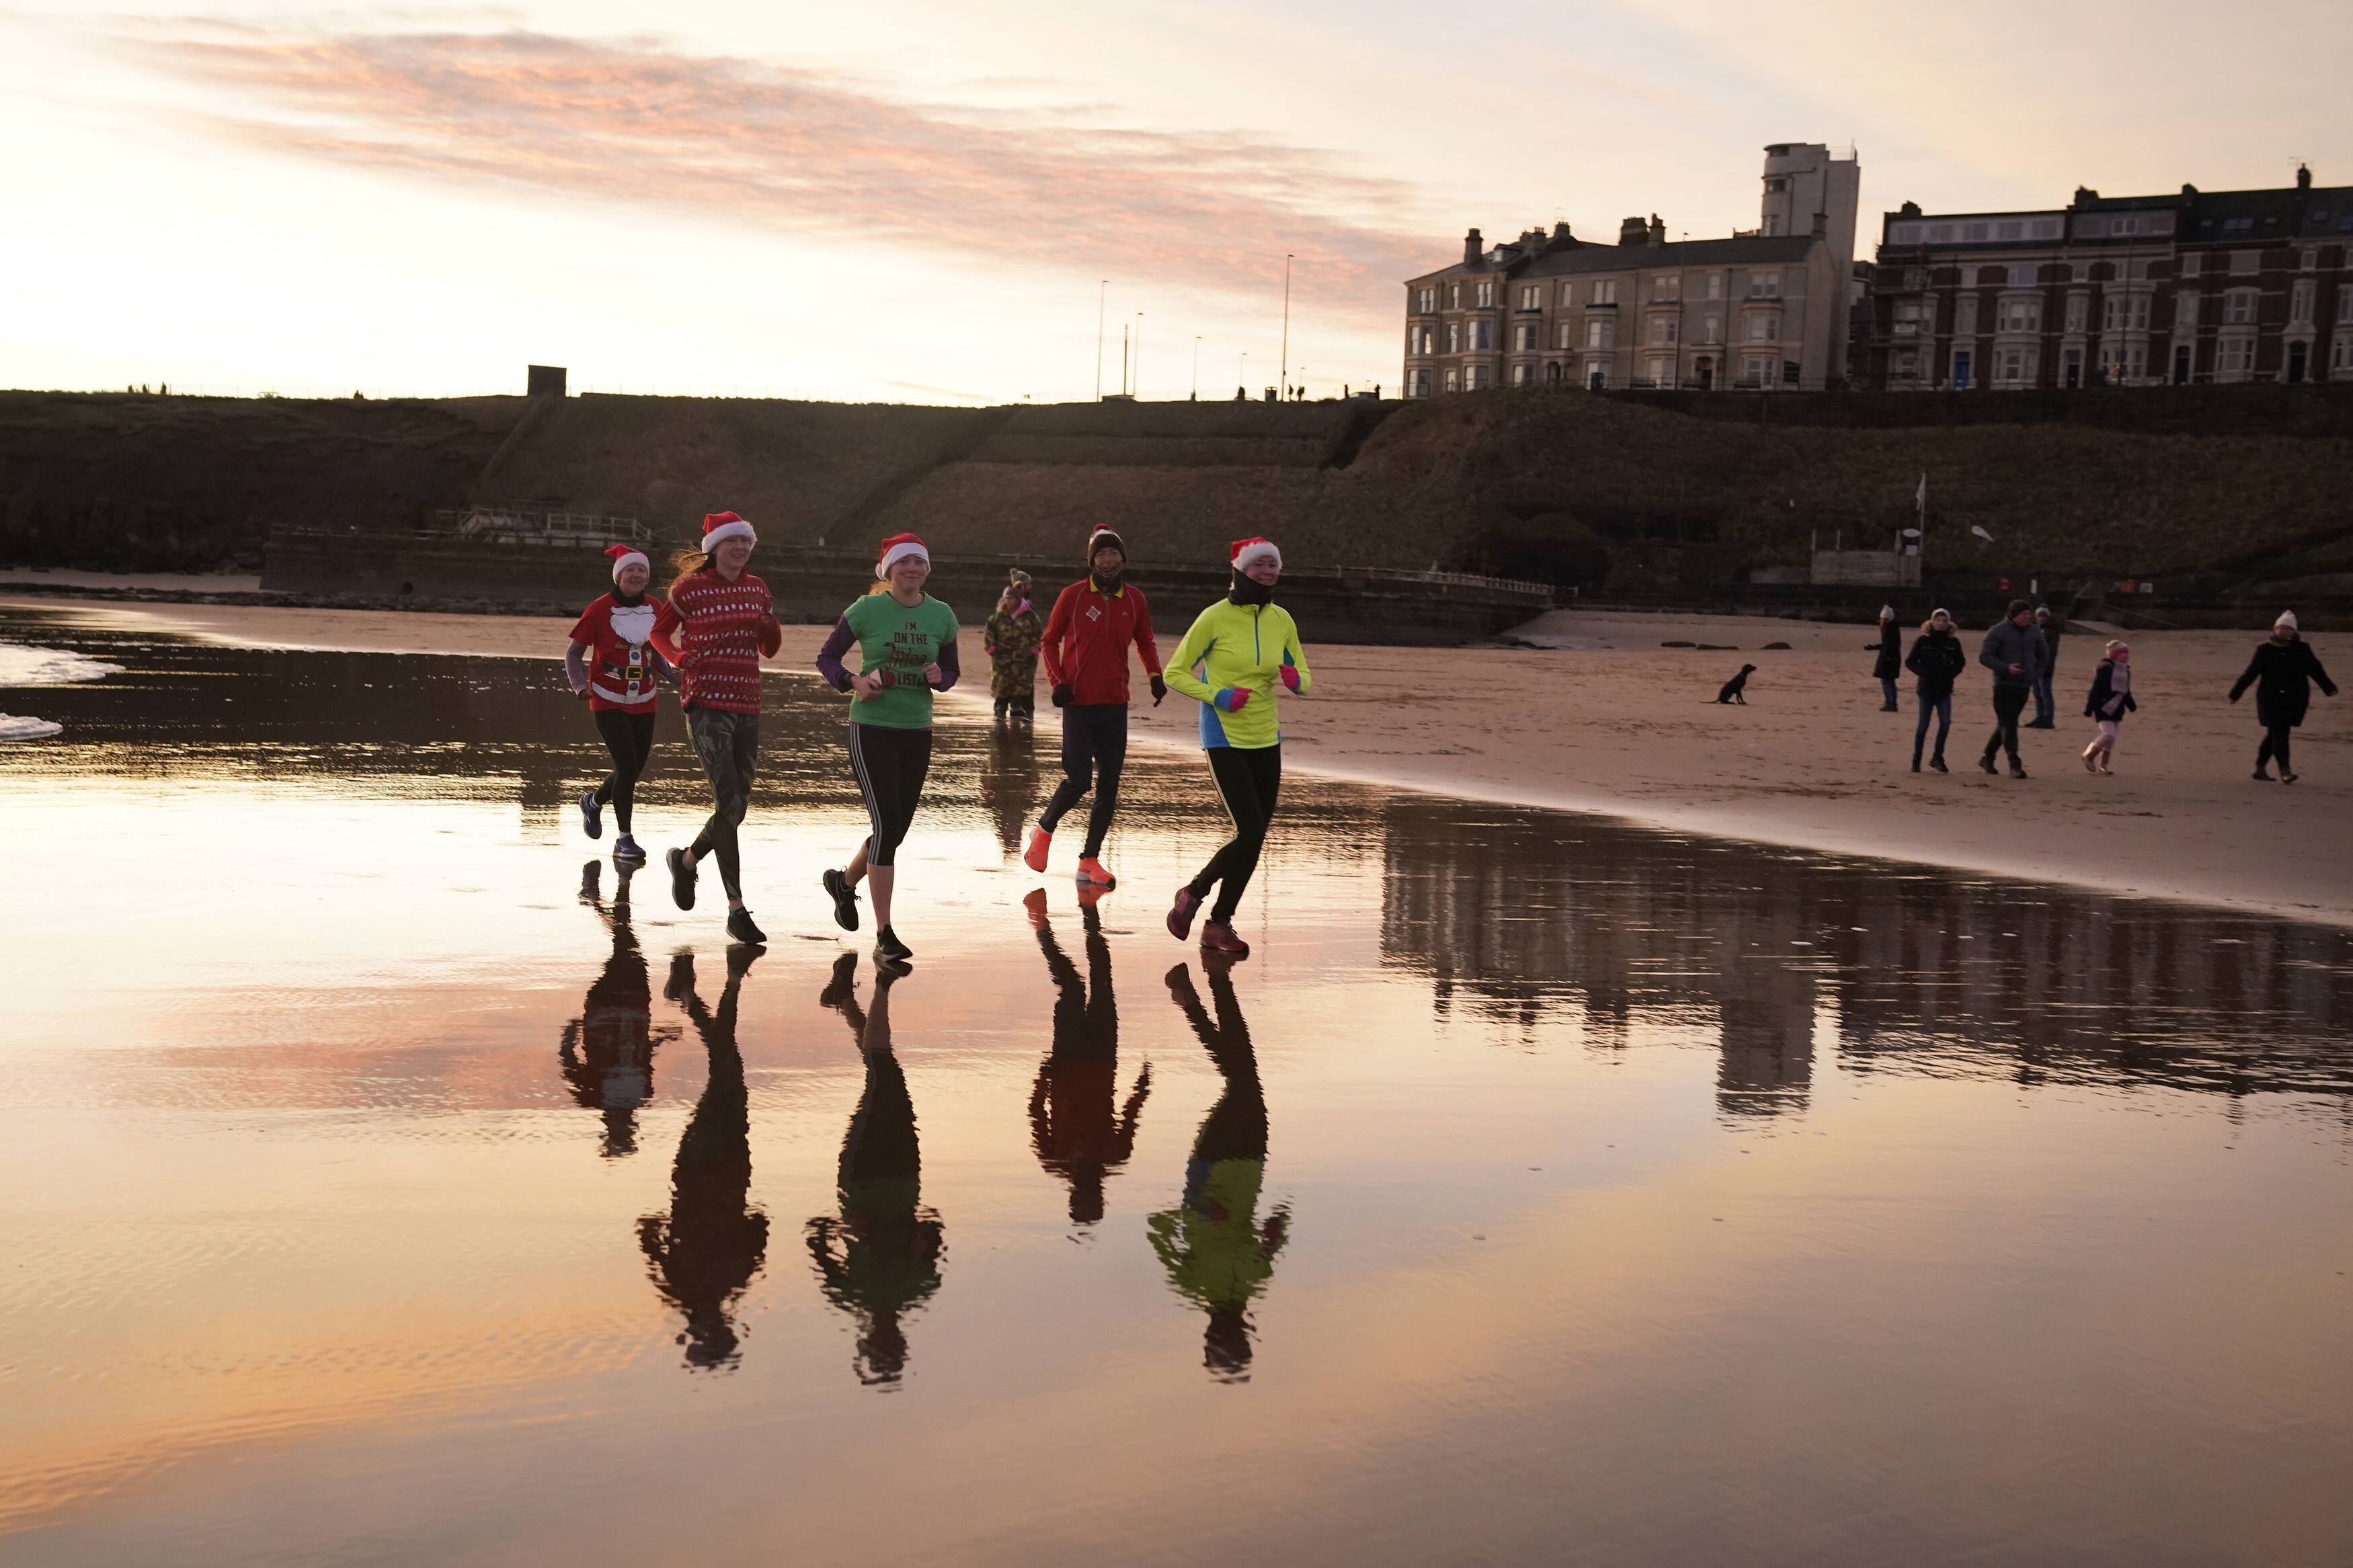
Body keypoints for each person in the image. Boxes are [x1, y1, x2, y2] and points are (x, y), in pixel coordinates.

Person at [1161, 537, 1313, 958]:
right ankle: (1194, 893)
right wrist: (1218, 695)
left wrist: (1295, 680)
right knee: (1249, 830)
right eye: (1259, 564)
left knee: (1255, 836)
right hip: (1224, 735)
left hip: (1267, 736)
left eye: (1273, 565)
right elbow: (1175, 673)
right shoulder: (1214, 617)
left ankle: (1217, 923)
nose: (1267, 571)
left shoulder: (1282, 619)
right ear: (1241, 569)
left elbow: (1303, 674)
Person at [815, 534, 960, 964]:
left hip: (916, 729)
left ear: (927, 570)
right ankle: (885, 934)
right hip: (871, 727)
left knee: (893, 830)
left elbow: (951, 671)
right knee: (886, 823)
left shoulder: (942, 615)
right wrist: (854, 682)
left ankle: (844, 883)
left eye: (919, 562)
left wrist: (940, 677)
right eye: (904, 563)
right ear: (889, 570)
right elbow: (827, 658)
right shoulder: (866, 609)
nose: (912, 569)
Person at [807, 954, 945, 1387]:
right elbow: (936, 1229)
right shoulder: (919, 1290)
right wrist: (909, 1238)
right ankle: (847, 1001)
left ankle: (881, 985)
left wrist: (853, 1227)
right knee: (882, 1077)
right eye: (894, 1346)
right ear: (902, 1342)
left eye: (882, 1346)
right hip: (904, 1179)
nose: (889, 1337)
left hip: (863, 1179)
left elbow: (814, 1236)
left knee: (884, 1075)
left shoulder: (852, 1296)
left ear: (867, 1341)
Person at [1148, 959, 1287, 1383]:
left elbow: (1158, 1226)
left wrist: (1205, 1212)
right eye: (1239, 1337)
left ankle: (1211, 984)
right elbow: (1278, 1227)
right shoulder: (1257, 1278)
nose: (1234, 1328)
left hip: (1210, 1167)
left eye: (1226, 1336)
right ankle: (1198, 992)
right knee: (1243, 1077)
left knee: (1243, 1078)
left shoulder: (1191, 1282)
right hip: (1251, 1166)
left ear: (1212, 1331)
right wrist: (1275, 1231)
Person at [649, 511, 782, 945]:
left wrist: (769, 627)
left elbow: (771, 648)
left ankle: (686, 862)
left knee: (737, 808)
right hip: (705, 703)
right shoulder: (689, 590)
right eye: (732, 543)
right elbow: (659, 633)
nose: (740, 549)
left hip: (748, 703)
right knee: (728, 802)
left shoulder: (759, 589)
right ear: (714, 549)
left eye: (745, 543)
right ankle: (736, 909)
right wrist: (676, 657)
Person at [638, 947, 770, 1370]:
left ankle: (728, 981)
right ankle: (692, 997)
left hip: (724, 1168)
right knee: (725, 1066)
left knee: (728, 1066)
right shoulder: (680, 1285)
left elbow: (759, 1228)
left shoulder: (720, 1281)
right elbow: (647, 1231)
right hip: (698, 1170)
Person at [1023, 527, 1166, 890]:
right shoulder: (1072, 596)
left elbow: (1145, 640)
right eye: (1101, 554)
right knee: (1079, 780)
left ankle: (1089, 860)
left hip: (1115, 703)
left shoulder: (1134, 599)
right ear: (1092, 560)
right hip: (1078, 704)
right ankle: (1043, 832)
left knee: (1109, 785)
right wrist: (1059, 683)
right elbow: (1049, 641)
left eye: (1114, 554)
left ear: (1122, 559)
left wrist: (1154, 675)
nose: (1108, 560)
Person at [1027, 889, 1151, 1228]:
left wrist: (1044, 1076)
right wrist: (1142, 1086)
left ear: (1073, 1193)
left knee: (1072, 988)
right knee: (1101, 978)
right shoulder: (1115, 1155)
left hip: (1066, 1061)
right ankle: (1090, 916)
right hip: (1102, 1057)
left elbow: (1036, 1112)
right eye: (1092, 1196)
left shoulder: (1053, 1158)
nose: (1089, 1189)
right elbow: (1130, 1116)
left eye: (1083, 1196)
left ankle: (1040, 925)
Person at [559, 860, 679, 1159]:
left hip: (603, 1010)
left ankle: (612, 888)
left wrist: (574, 1030)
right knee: (625, 943)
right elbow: (641, 1055)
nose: (624, 1125)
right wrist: (661, 1038)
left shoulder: (591, 1097)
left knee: (626, 942)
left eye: (620, 1132)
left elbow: (568, 1060)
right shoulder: (644, 1094)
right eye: (626, 1132)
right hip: (637, 1007)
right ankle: (598, 896)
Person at [566, 542, 670, 864]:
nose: (636, 575)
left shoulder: (656, 607)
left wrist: (683, 680)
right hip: (606, 697)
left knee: (634, 768)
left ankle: (594, 801)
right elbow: (573, 655)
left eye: (641, 571)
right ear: (619, 576)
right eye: (630, 570)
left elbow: (659, 659)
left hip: (645, 698)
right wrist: (581, 686)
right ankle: (624, 840)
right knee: (627, 767)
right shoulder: (599, 609)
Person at [2231, 611, 2337, 784]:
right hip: (2270, 698)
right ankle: (2285, 770)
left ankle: (2260, 768)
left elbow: (2316, 670)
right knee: (2281, 732)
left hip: (2295, 698)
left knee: (2274, 734)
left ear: (2294, 631)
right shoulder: (2265, 650)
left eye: (2288, 628)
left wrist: (2329, 687)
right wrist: (2236, 693)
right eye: (2281, 628)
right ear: (2275, 629)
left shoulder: (2303, 650)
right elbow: (2251, 673)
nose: (2284, 631)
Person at [1977, 598, 2042, 779]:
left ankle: (1987, 758)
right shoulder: (1998, 631)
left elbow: (2044, 656)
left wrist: (2035, 674)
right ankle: (2015, 764)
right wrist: (2006, 668)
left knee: (2006, 724)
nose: (2028, 617)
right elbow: (1985, 656)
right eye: (2024, 614)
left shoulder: (2035, 632)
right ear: (2014, 615)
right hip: (2003, 685)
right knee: (2010, 724)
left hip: (2024, 685)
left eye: (2030, 614)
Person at [1904, 607, 1967, 773]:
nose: (1941, 623)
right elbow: (1910, 661)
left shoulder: (1953, 643)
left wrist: (1952, 674)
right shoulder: (1923, 641)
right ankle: (1916, 759)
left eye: (1944, 621)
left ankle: (1937, 757)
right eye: (1938, 620)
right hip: (1926, 690)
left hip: (1944, 690)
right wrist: (1923, 672)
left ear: (1948, 623)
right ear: (1932, 622)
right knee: (1923, 726)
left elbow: (1960, 662)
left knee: (1945, 724)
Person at [982, 569, 1044, 726]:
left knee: (1025, 686)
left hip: (1025, 659)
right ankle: (1000, 712)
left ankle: (1025, 712)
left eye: (1011, 599)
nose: (1008, 601)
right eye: (1007, 598)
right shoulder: (998, 617)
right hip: (1002, 659)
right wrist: (991, 649)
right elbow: (989, 633)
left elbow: (1039, 634)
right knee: (1002, 686)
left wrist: (1035, 650)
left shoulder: (1030, 616)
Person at [2081, 639, 2137, 774]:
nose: (2126, 656)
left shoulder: (2125, 671)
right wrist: (2090, 708)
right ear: (2114, 655)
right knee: (2109, 734)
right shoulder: (2105, 670)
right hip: (2103, 707)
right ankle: (2088, 755)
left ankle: (2104, 766)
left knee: (2112, 739)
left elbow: (2125, 691)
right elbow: (2095, 690)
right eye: (2123, 654)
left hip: (2117, 708)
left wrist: (2131, 705)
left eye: (2127, 654)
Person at [2029, 605, 2065, 728]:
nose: (2042, 619)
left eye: (2044, 616)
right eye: (2040, 616)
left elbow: (2051, 652)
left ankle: (2048, 720)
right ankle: (2040, 717)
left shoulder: (2052, 631)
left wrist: (2044, 666)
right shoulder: (2036, 630)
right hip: (2035, 667)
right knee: (2037, 694)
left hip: (2045, 668)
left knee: (2045, 694)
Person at [1868, 605, 1902, 712]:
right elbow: (1889, 644)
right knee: (1891, 682)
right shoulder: (1894, 628)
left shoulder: (1888, 629)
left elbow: (1887, 645)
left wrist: (1874, 648)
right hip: (1894, 657)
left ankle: (1889, 703)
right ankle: (1893, 703)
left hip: (1888, 657)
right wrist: (1874, 647)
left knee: (1886, 682)